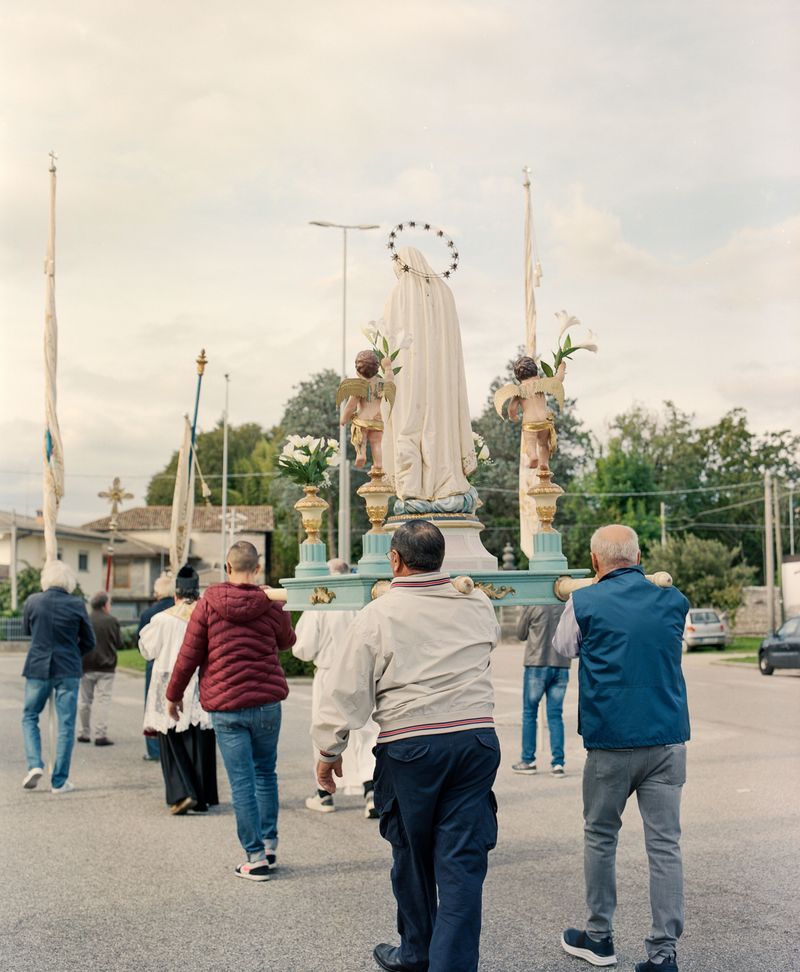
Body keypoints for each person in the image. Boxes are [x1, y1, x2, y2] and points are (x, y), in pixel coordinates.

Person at [314, 520, 501, 972]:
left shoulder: (379, 614)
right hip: (474, 740)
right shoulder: (476, 602)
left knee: (412, 858)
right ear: (440, 559)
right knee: (461, 865)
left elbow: (347, 690)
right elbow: (488, 645)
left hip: (412, 746)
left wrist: (328, 751)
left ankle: (417, 953)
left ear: (395, 560)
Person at [554, 525, 690, 972]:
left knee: (600, 836)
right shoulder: (674, 600)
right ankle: (663, 952)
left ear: (595, 561)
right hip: (667, 737)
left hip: (611, 740)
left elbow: (562, 647)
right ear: (638, 556)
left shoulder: (585, 600)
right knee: (665, 844)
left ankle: (599, 937)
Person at [166, 541, 295, 882]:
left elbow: (188, 655)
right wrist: (279, 607)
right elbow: (287, 641)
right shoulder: (270, 603)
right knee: (266, 774)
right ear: (258, 567)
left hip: (226, 707)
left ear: (227, 567)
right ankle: (268, 844)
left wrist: (173, 695)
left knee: (242, 782)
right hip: (267, 703)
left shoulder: (209, 603)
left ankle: (254, 856)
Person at [381, 247, 479, 514]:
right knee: (441, 426)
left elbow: (388, 341)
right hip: (443, 382)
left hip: (410, 378)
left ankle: (414, 489)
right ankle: (447, 481)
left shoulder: (398, 293)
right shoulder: (445, 293)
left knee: (408, 426)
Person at [292, 558, 379, 818]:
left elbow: (303, 648)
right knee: (365, 732)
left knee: (326, 731)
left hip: (330, 674)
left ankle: (324, 793)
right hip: (360, 672)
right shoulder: (362, 602)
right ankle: (371, 791)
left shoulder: (320, 604)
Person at [139, 565, 218, 815]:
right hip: (201, 682)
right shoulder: (208, 616)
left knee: (171, 737)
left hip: (168, 680)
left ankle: (182, 792)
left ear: (175, 595)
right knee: (200, 737)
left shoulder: (162, 619)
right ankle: (203, 796)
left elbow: (147, 649)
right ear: (198, 594)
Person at [21, 561, 96, 794]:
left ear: (45, 580)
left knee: (30, 716)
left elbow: (27, 631)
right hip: (68, 669)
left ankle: (35, 764)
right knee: (65, 725)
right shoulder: (76, 604)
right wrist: (74, 653)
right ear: (69, 582)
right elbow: (89, 640)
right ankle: (59, 781)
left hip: (37, 667)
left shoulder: (32, 601)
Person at [512, 602, 570, 776]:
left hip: (536, 663)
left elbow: (521, 634)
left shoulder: (533, 603)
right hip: (561, 663)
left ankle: (528, 760)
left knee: (530, 713)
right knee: (555, 715)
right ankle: (558, 763)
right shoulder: (566, 604)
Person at [137, 575, 175, 761]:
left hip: (155, 662)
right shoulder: (178, 609)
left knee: (153, 703)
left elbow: (142, 641)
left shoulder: (148, 613)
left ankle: (154, 750)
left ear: (158, 591)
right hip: (177, 661)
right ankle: (174, 747)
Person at [338, 350, 395, 471]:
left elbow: (350, 406)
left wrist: (343, 419)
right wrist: (388, 367)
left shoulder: (360, 385)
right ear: (377, 367)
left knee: (361, 440)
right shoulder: (381, 383)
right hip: (378, 420)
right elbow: (390, 381)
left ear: (358, 370)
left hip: (362, 420)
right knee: (376, 443)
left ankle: (361, 454)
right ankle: (378, 464)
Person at [77, 591, 121, 746]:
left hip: (86, 665)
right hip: (106, 666)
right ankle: (100, 734)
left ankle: (84, 732)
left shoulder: (84, 619)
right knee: (103, 700)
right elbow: (118, 643)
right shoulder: (112, 621)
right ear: (105, 605)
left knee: (85, 701)